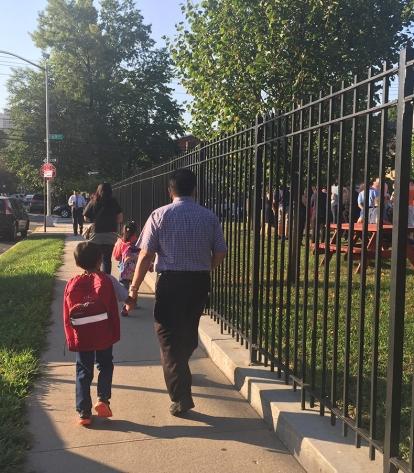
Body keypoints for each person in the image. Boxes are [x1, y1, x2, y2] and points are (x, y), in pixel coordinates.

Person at [127, 168, 227, 416]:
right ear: (195, 189)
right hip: (199, 281)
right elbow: (220, 252)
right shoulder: (209, 216)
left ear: (170, 190)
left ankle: (181, 397)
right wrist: (207, 267)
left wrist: (134, 288)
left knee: (168, 339)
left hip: (171, 282)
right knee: (188, 329)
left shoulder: (159, 215)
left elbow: (146, 254)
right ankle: (182, 366)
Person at [63, 242, 132, 426]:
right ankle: (103, 399)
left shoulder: (72, 283)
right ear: (100, 259)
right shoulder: (107, 280)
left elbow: (66, 312)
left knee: (83, 371)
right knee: (105, 364)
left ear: (77, 263)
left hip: (82, 334)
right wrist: (130, 301)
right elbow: (124, 295)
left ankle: (84, 412)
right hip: (103, 334)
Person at [83, 183, 123, 274]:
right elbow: (120, 218)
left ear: (98, 190)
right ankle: (106, 280)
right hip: (111, 233)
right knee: (107, 259)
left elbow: (85, 217)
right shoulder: (114, 202)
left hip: (96, 233)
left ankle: (95, 277)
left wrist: (94, 220)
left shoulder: (94, 201)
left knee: (95, 258)